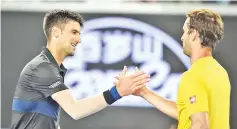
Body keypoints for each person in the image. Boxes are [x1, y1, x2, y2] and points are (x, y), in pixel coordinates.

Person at [10, 9, 150, 129]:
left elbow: (46, 120)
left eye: (79, 33)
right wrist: (117, 92)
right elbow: (75, 110)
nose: (79, 39)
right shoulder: (42, 68)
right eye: (74, 32)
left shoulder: (48, 67)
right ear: (56, 32)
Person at [118, 8, 230, 129]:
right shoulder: (220, 72)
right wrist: (144, 92)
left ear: (194, 34)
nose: (182, 37)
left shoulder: (193, 76)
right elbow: (187, 112)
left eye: (185, 32)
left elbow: (201, 125)